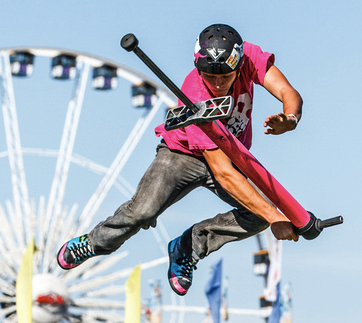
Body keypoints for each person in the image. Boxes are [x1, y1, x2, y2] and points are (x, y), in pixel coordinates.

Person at [57, 23, 303, 296]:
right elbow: (223, 174)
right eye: (210, 77)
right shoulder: (194, 94)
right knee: (143, 212)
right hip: (182, 154)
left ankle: (188, 246)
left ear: (239, 64)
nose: (218, 84)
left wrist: (290, 119)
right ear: (199, 69)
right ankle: (93, 242)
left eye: (226, 76)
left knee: (257, 216)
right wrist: (274, 217)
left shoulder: (249, 59)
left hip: (230, 156)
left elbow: (287, 92)